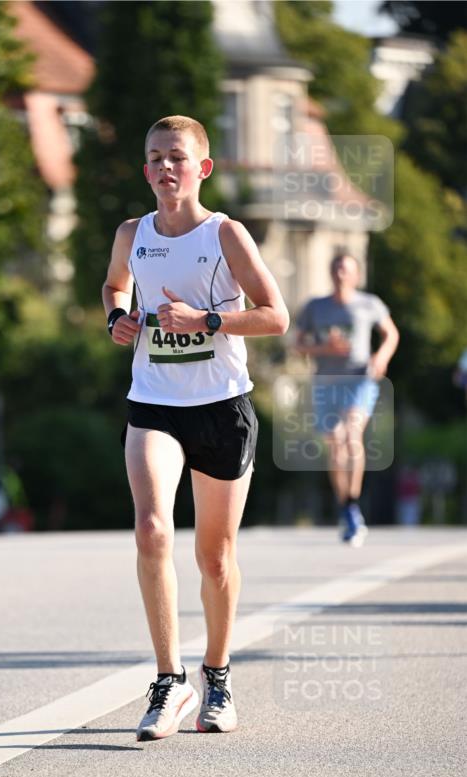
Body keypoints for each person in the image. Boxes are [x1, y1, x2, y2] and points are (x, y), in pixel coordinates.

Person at [102, 115, 288, 742]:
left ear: (202, 168)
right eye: (154, 158)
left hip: (222, 407)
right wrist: (117, 319)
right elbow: (113, 287)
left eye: (176, 158)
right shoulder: (133, 232)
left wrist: (206, 321)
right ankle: (167, 680)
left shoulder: (226, 234)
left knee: (215, 557)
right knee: (153, 529)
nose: (164, 169)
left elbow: (275, 317)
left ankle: (218, 674)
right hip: (153, 402)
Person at [295, 254, 399, 546]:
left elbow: (391, 334)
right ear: (331, 273)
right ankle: (346, 506)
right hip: (326, 381)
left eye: (347, 269)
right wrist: (323, 346)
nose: (342, 273)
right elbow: (297, 344)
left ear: (356, 275)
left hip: (360, 380)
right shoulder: (316, 307)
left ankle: (352, 502)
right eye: (338, 267)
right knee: (335, 442)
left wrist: (381, 356)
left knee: (352, 435)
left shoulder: (370, 304)